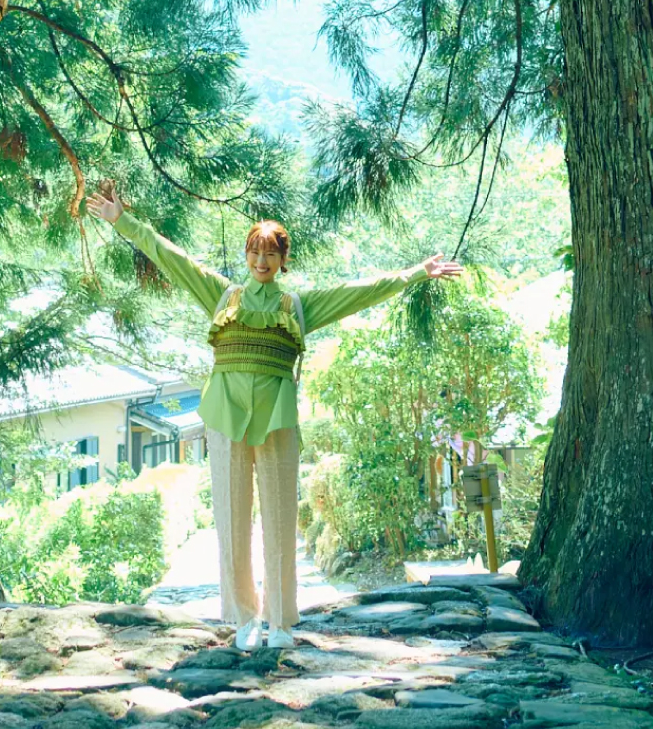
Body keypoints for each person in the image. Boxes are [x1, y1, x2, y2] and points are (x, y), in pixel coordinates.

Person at [86, 186, 463, 650]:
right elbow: (174, 260)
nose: (261, 261)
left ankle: (281, 621)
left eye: (270, 254)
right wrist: (124, 220)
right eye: (254, 252)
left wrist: (414, 274)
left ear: (283, 260)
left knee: (281, 519)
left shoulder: (297, 307)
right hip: (225, 416)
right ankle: (244, 620)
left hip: (278, 417)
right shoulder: (222, 296)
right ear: (246, 255)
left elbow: (358, 293)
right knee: (231, 519)